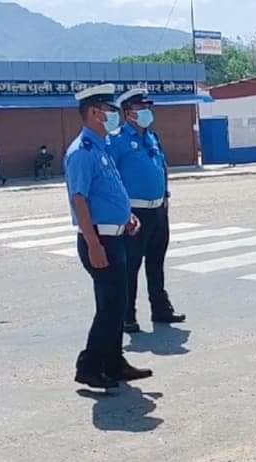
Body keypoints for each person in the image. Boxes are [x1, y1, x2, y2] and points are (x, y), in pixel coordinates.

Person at [64, 83, 152, 390]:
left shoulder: (101, 147)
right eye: (110, 110)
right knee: (110, 307)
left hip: (115, 236)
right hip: (99, 240)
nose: (115, 115)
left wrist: (126, 216)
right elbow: (79, 200)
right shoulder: (82, 151)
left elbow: (109, 191)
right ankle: (89, 366)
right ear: (93, 113)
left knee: (115, 304)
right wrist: (93, 244)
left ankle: (114, 363)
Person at [109, 88, 186, 334]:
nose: (146, 112)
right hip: (134, 213)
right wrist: (122, 212)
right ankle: (127, 316)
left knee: (156, 262)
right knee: (130, 266)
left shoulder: (152, 137)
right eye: (141, 108)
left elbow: (162, 167)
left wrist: (165, 197)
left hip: (158, 210)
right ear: (127, 113)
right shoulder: (117, 140)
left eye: (147, 108)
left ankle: (160, 309)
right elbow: (112, 178)